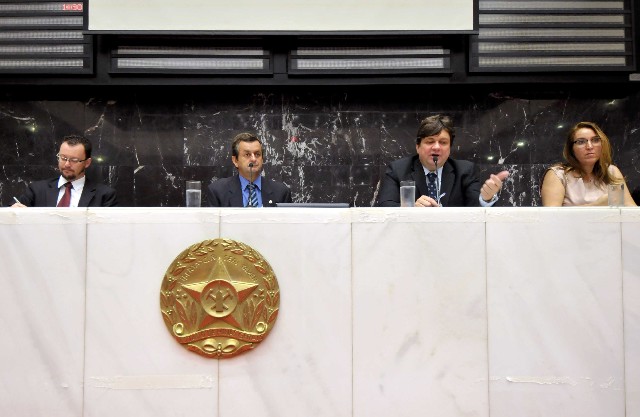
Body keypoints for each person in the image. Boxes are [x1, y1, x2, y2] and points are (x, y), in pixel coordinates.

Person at [377, 114, 509, 207]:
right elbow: (385, 206)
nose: (436, 147)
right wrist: (412, 209)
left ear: (450, 148)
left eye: (443, 142)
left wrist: (486, 198)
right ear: (418, 146)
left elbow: (475, 207)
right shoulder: (398, 170)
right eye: (430, 141)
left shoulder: (465, 171)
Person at [541, 121, 637, 207]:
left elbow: (632, 211)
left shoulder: (611, 171)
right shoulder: (557, 175)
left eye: (595, 140)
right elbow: (552, 217)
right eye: (581, 142)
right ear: (571, 149)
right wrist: (597, 205)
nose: (590, 146)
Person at [11, 134, 119, 208]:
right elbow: (9, 212)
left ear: (87, 163)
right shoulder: (37, 190)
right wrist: (14, 210)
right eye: (63, 158)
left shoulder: (104, 195)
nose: (67, 164)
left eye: (74, 160)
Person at [206, 132, 292, 207]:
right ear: (235, 160)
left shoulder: (281, 192)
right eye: (247, 155)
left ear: (262, 159)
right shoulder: (218, 191)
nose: (253, 159)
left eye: (257, 154)